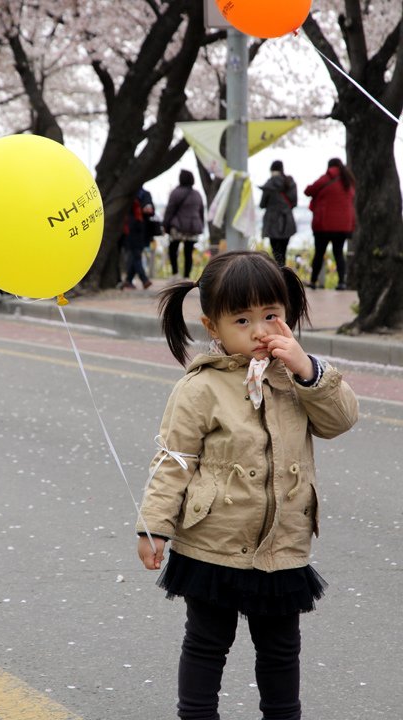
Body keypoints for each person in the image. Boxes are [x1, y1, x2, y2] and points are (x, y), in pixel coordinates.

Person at [136, 250, 358, 720]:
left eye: (271, 315)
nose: (261, 330)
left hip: (281, 545)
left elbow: (340, 420)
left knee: (280, 650)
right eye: (242, 319)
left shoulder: (297, 377)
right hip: (212, 544)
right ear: (212, 327)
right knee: (206, 643)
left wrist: (308, 369)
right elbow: (174, 460)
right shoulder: (200, 388)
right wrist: (153, 525)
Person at [304, 158, 356, 290]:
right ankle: (341, 282)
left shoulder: (326, 178)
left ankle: (314, 281)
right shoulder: (348, 182)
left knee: (319, 253)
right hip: (343, 226)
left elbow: (308, 191)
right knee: (338, 253)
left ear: (329, 167)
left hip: (324, 225)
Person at [163, 169, 204, 279]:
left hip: (178, 226)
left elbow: (169, 210)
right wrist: (201, 227)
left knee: (173, 249)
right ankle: (186, 276)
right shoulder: (197, 194)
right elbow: (201, 212)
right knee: (188, 252)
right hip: (192, 227)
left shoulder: (176, 193)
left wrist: (165, 225)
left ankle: (175, 273)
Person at [259, 160, 297, 267]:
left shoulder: (269, 184)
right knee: (283, 251)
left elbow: (262, 204)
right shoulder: (290, 182)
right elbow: (294, 203)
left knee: (276, 252)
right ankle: (283, 273)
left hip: (272, 221)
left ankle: (278, 274)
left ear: (271, 170)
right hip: (287, 221)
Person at [120, 194, 152, 290]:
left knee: (135, 256)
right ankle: (144, 279)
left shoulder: (144, 195)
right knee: (136, 256)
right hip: (134, 230)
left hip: (138, 230)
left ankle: (128, 280)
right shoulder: (140, 195)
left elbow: (151, 211)